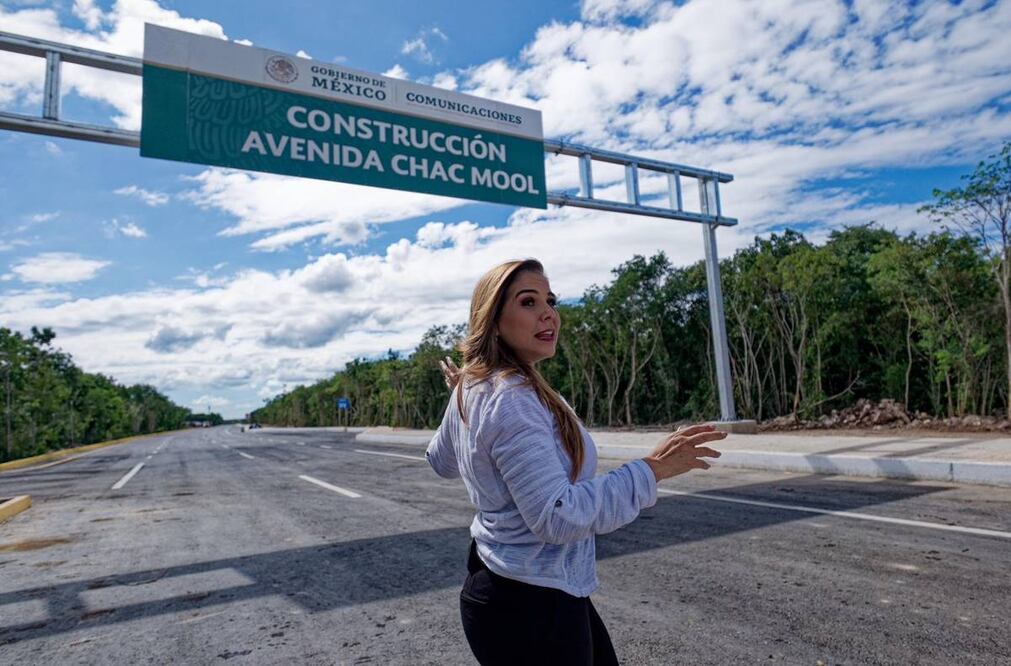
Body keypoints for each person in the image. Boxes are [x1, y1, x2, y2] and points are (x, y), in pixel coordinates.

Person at [425, 258, 725, 665]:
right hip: (529, 603)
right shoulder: (510, 398)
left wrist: (463, 396)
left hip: (516, 586)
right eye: (528, 302)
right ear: (493, 321)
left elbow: (441, 460)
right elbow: (557, 517)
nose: (549, 312)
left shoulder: (480, 386)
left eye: (550, 300)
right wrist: (653, 469)